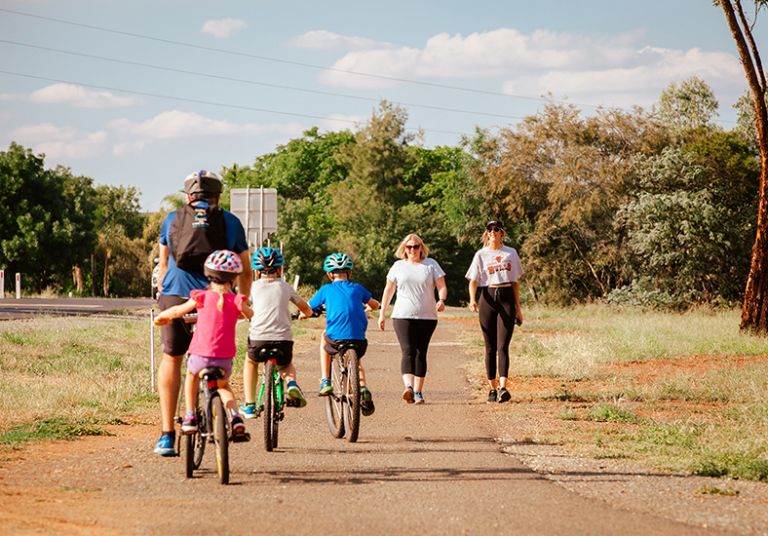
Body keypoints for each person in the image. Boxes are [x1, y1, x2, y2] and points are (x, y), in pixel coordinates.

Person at [154, 170, 252, 456]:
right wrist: (240, 300)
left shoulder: (172, 219)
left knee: (172, 357)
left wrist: (165, 295)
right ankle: (231, 415)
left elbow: (163, 265)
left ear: (188, 196)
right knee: (218, 364)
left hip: (178, 295)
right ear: (218, 195)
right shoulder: (231, 222)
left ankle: (168, 434)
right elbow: (246, 268)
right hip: (219, 299)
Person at [153, 250, 253, 439]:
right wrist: (242, 314)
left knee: (191, 376)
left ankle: (190, 416)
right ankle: (236, 418)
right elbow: (250, 314)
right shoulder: (236, 301)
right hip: (224, 359)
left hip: (200, 357)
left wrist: (161, 317)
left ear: (208, 275)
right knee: (224, 386)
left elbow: (176, 310)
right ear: (233, 279)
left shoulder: (201, 297)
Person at [301, 253, 379, 416]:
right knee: (357, 363)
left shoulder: (326, 290)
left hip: (335, 340)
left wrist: (302, 314)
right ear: (349, 273)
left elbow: (308, 309)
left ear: (330, 274)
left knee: (324, 337)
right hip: (359, 340)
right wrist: (370, 306)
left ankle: (325, 380)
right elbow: (375, 304)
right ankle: (363, 388)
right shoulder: (358, 288)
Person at [240, 247, 314, 417]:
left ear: (256, 271)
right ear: (280, 269)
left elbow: (243, 306)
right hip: (283, 340)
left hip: (258, 339)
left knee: (251, 362)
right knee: (285, 365)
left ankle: (250, 405)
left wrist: (249, 315)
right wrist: (307, 314)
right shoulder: (286, 287)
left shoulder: (252, 287)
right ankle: (292, 384)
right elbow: (306, 309)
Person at [378, 234, 447, 405]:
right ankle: (408, 387)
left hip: (427, 317)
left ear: (421, 248)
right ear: (404, 249)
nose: (412, 250)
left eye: (415, 246)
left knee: (421, 352)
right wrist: (382, 313)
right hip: (402, 315)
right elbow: (389, 290)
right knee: (408, 350)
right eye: (409, 247)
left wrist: (442, 300)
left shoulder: (431, 265)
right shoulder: (398, 266)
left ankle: (418, 391)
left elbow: (442, 286)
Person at [465, 220, 524, 404]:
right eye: (489, 229)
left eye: (496, 229)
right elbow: (473, 280)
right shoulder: (481, 254)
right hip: (488, 296)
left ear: (501, 233)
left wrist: (518, 309)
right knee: (490, 347)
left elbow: (515, 282)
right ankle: (492, 387)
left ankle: (504, 387)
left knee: (503, 345)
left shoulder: (511, 253)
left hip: (506, 296)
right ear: (487, 233)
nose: (492, 232)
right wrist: (473, 299)